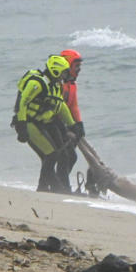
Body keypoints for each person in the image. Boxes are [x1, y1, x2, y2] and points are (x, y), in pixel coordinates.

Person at [12, 54, 84, 193]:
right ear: (56, 70)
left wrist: (73, 125)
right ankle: (53, 188)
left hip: (41, 123)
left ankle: (44, 187)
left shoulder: (55, 85)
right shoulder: (37, 84)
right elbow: (23, 103)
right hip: (28, 122)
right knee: (51, 155)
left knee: (54, 155)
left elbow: (61, 106)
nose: (64, 76)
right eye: (63, 72)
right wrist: (21, 126)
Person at [58, 49, 84, 189]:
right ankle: (61, 187)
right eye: (76, 66)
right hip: (55, 124)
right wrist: (68, 127)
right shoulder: (59, 84)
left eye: (80, 66)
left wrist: (79, 124)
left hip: (65, 124)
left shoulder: (72, 84)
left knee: (71, 157)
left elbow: (73, 106)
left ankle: (59, 185)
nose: (79, 70)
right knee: (66, 156)